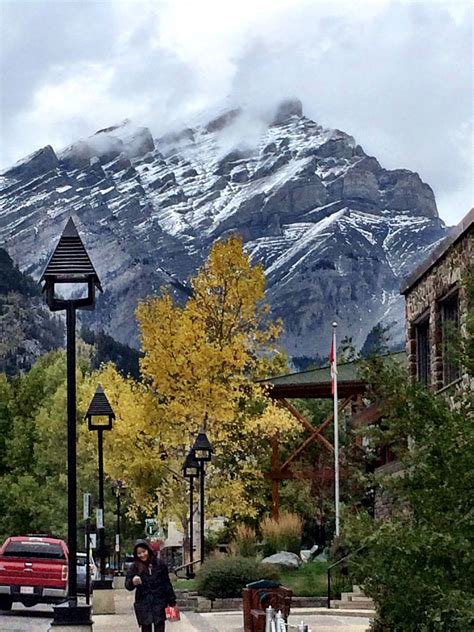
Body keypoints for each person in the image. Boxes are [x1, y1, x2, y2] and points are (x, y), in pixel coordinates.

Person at [125, 539, 177, 632]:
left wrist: (172, 601)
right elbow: (128, 585)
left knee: (160, 627)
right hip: (143, 603)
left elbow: (166, 583)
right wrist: (133, 581)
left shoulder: (160, 564)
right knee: (146, 628)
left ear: (148, 550)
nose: (142, 555)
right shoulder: (134, 567)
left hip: (159, 602)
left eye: (144, 552)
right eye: (139, 553)